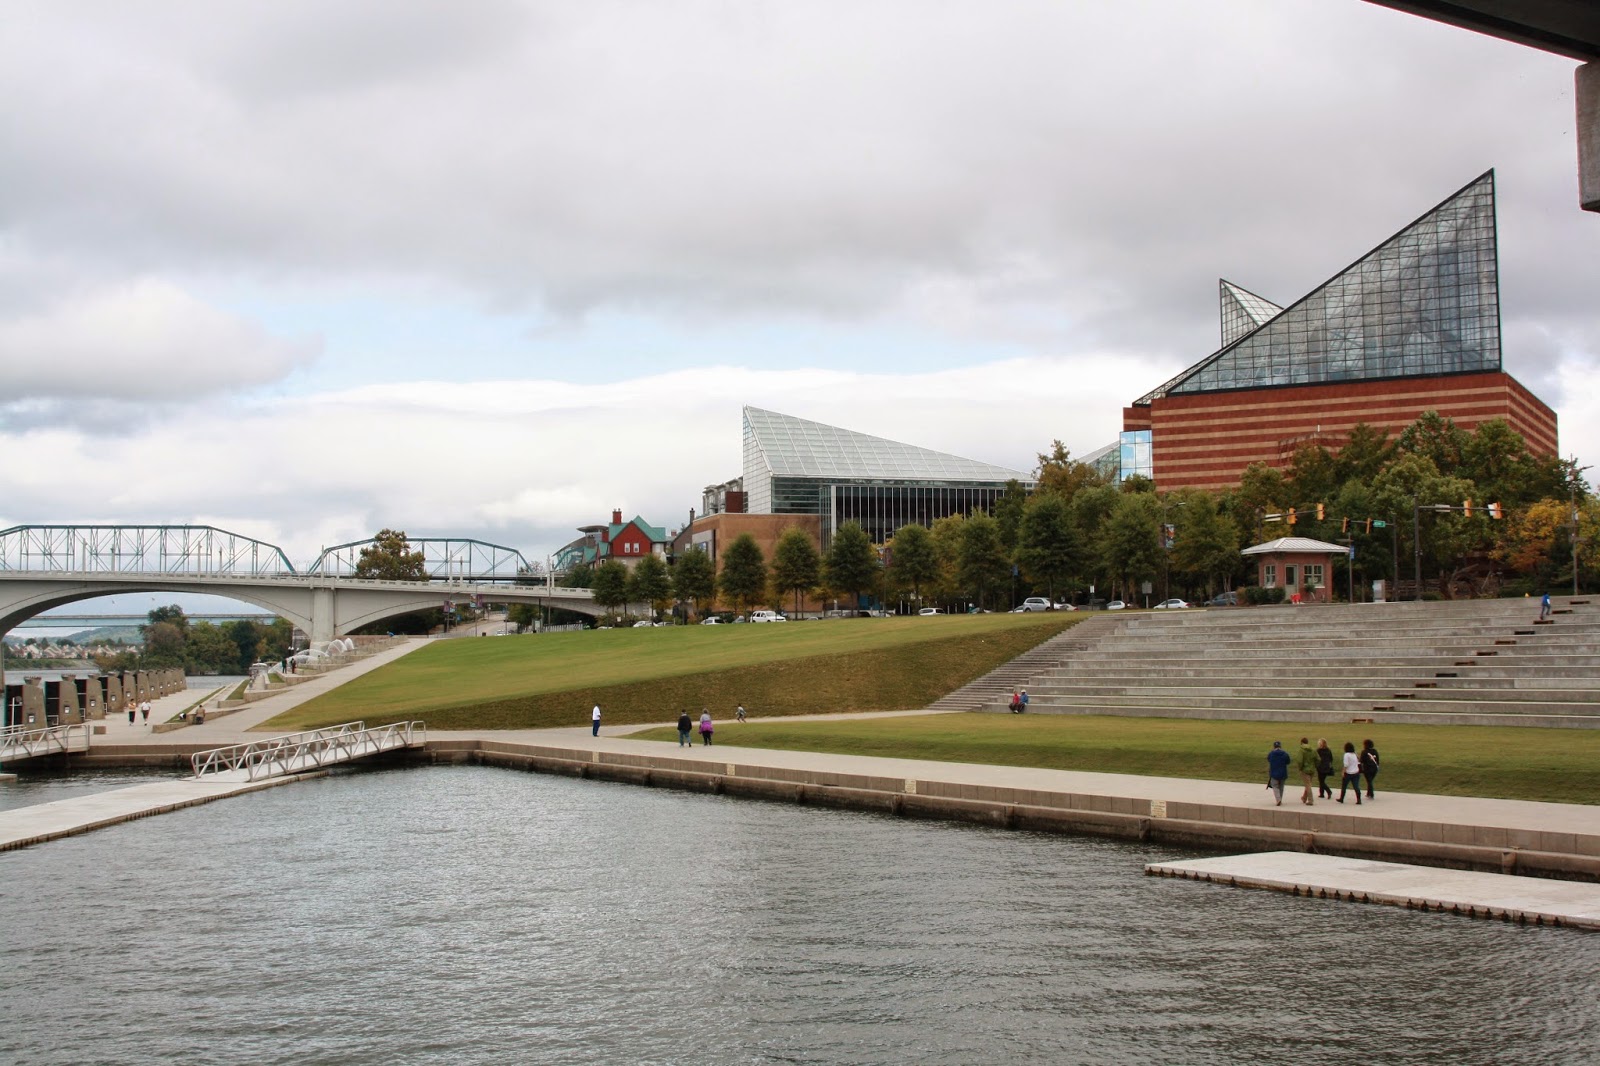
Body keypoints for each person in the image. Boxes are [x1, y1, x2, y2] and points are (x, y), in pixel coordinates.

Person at [1266, 740, 1291, 806]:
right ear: (1280, 746)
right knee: (1281, 787)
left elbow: (1268, 759)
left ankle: (1278, 799)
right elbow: (1288, 761)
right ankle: (1280, 799)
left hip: (1274, 773)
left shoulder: (1271, 754)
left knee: (1275, 786)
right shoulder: (1285, 754)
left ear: (1274, 747)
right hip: (1283, 773)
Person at [1296, 737, 1317, 806]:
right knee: (1308, 784)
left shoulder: (1301, 750)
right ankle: (1304, 798)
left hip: (1305, 770)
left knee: (1308, 785)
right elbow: (1318, 759)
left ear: (1301, 742)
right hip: (1312, 769)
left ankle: (1310, 800)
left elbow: (1299, 761)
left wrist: (1300, 768)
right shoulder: (1313, 750)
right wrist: (1315, 765)